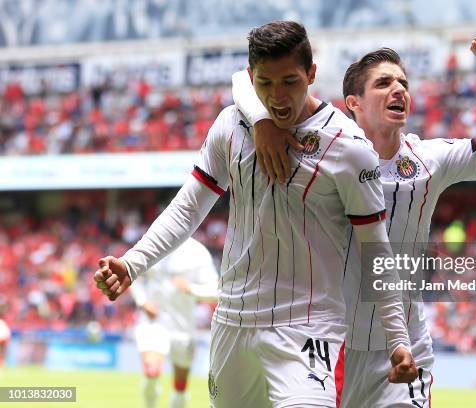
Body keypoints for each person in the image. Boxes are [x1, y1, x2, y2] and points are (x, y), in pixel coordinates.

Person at [94, 20, 416, 408]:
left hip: (308, 329)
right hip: (233, 322)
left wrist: (397, 337)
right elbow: (188, 207)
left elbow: (375, 249)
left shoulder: (350, 148)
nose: (278, 97)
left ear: (312, 74)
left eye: (290, 82)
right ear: (251, 78)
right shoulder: (231, 124)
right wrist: (132, 264)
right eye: (265, 83)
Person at [232, 33, 476, 407]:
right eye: (383, 83)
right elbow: (241, 80)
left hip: (405, 344)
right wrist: (263, 120)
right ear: (352, 104)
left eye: (403, 83)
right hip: (331, 344)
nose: (398, 89)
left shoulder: (431, 159)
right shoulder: (326, 152)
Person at [130, 237, 218, 408]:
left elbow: (216, 290)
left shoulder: (198, 252)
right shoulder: (153, 241)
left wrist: (192, 289)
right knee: (151, 371)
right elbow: (134, 274)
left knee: (180, 386)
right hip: (153, 323)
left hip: (183, 327)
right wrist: (142, 302)